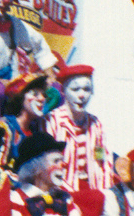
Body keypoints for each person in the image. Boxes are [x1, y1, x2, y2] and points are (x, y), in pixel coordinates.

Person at [45, 64, 113, 192]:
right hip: (63, 189)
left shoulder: (95, 124)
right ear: (63, 91)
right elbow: (47, 162)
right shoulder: (52, 121)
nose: (82, 95)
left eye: (86, 89)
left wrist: (105, 190)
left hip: (92, 188)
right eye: (75, 89)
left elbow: (102, 158)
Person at [0, 72, 48, 169]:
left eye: (44, 94)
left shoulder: (36, 131)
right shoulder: (5, 127)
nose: (42, 98)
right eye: (35, 94)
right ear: (20, 98)